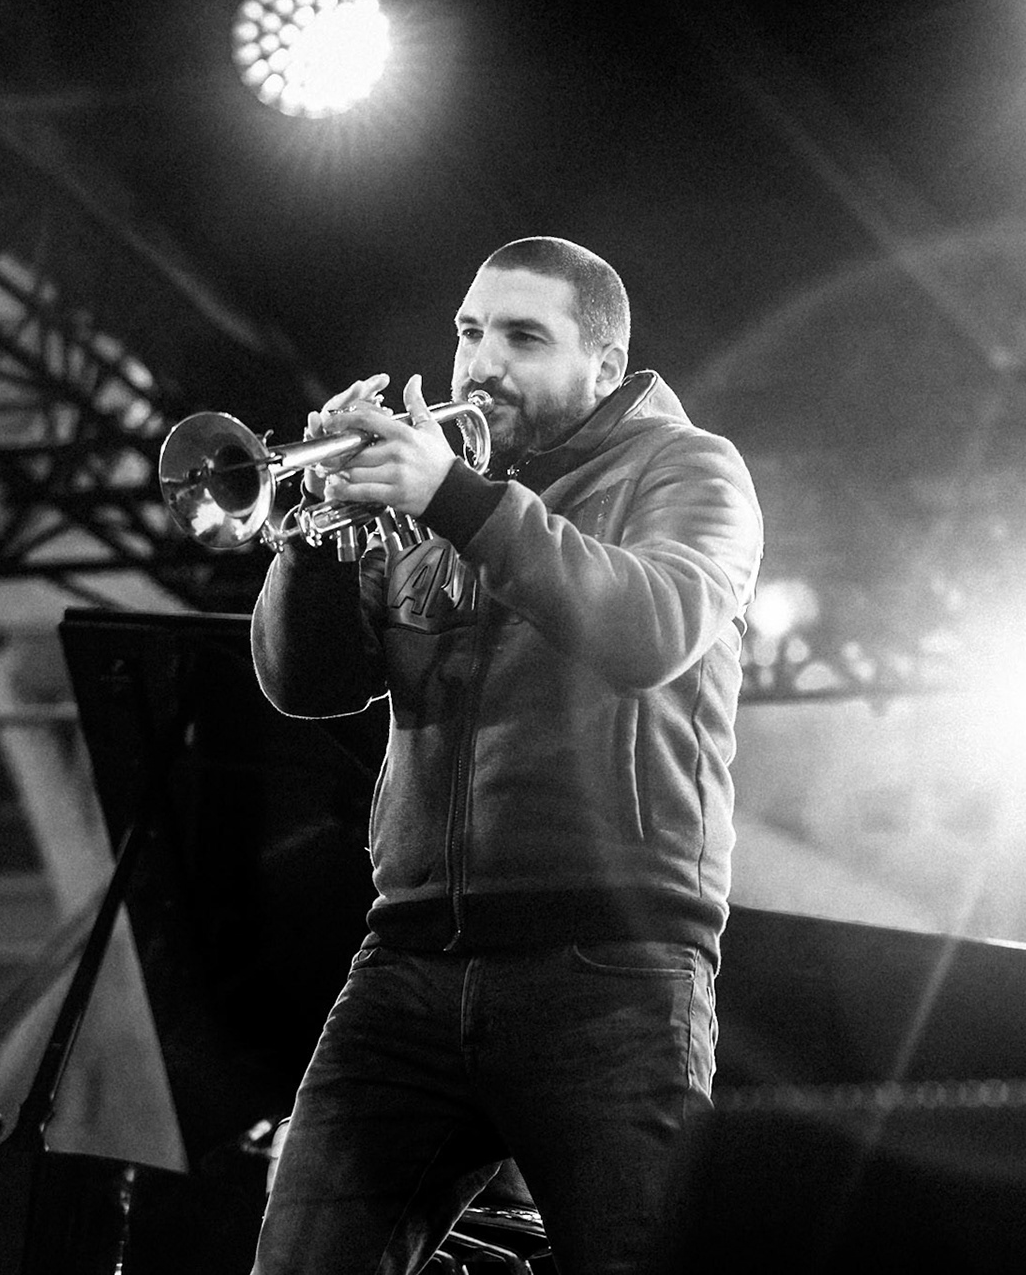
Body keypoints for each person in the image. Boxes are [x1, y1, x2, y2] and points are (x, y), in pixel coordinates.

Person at [248, 236, 763, 1273]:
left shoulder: (691, 469)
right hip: (407, 962)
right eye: (470, 331)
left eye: (524, 337)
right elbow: (304, 688)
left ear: (605, 366)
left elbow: (648, 626)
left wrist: (455, 499)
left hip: (611, 970)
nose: (481, 362)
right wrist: (310, 538)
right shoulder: (441, 492)